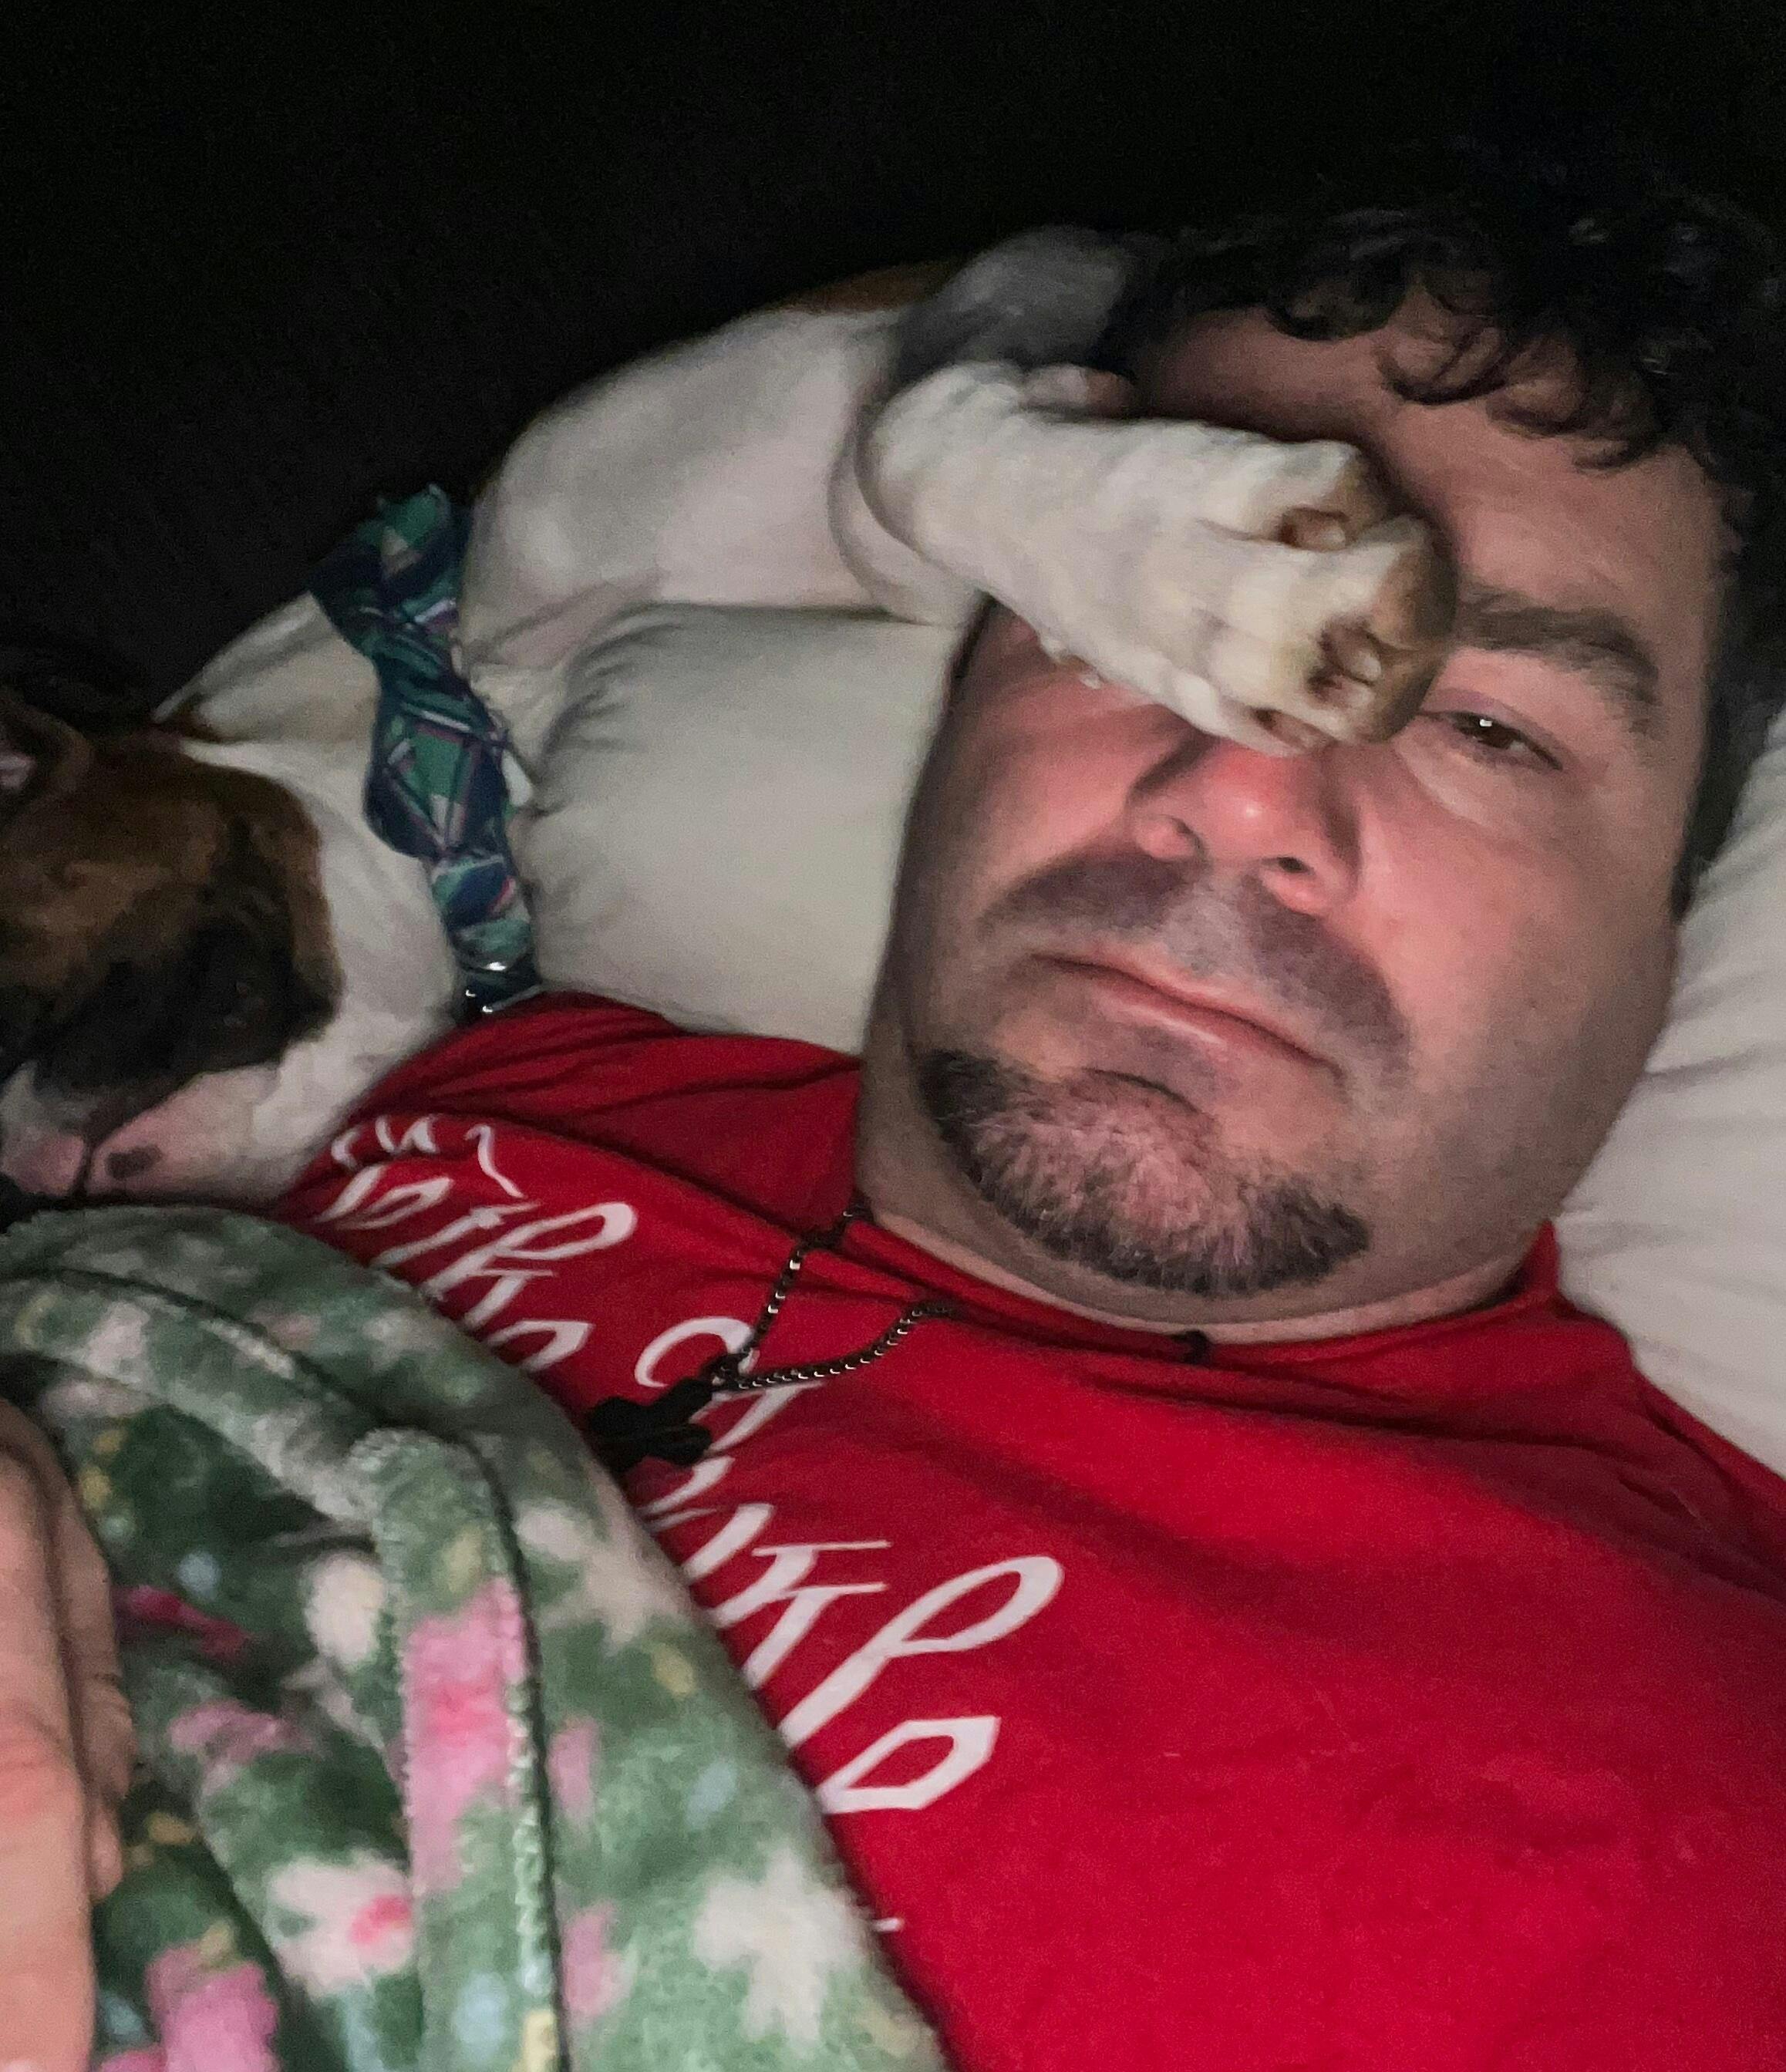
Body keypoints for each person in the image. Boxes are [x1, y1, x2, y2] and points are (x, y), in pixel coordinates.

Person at [8, 136, 1786, 2070]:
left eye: (1489, 727)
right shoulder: (502, 1070)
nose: (1242, 785)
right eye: (1131, 623)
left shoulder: (1675, 1794)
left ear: (1675, 928)